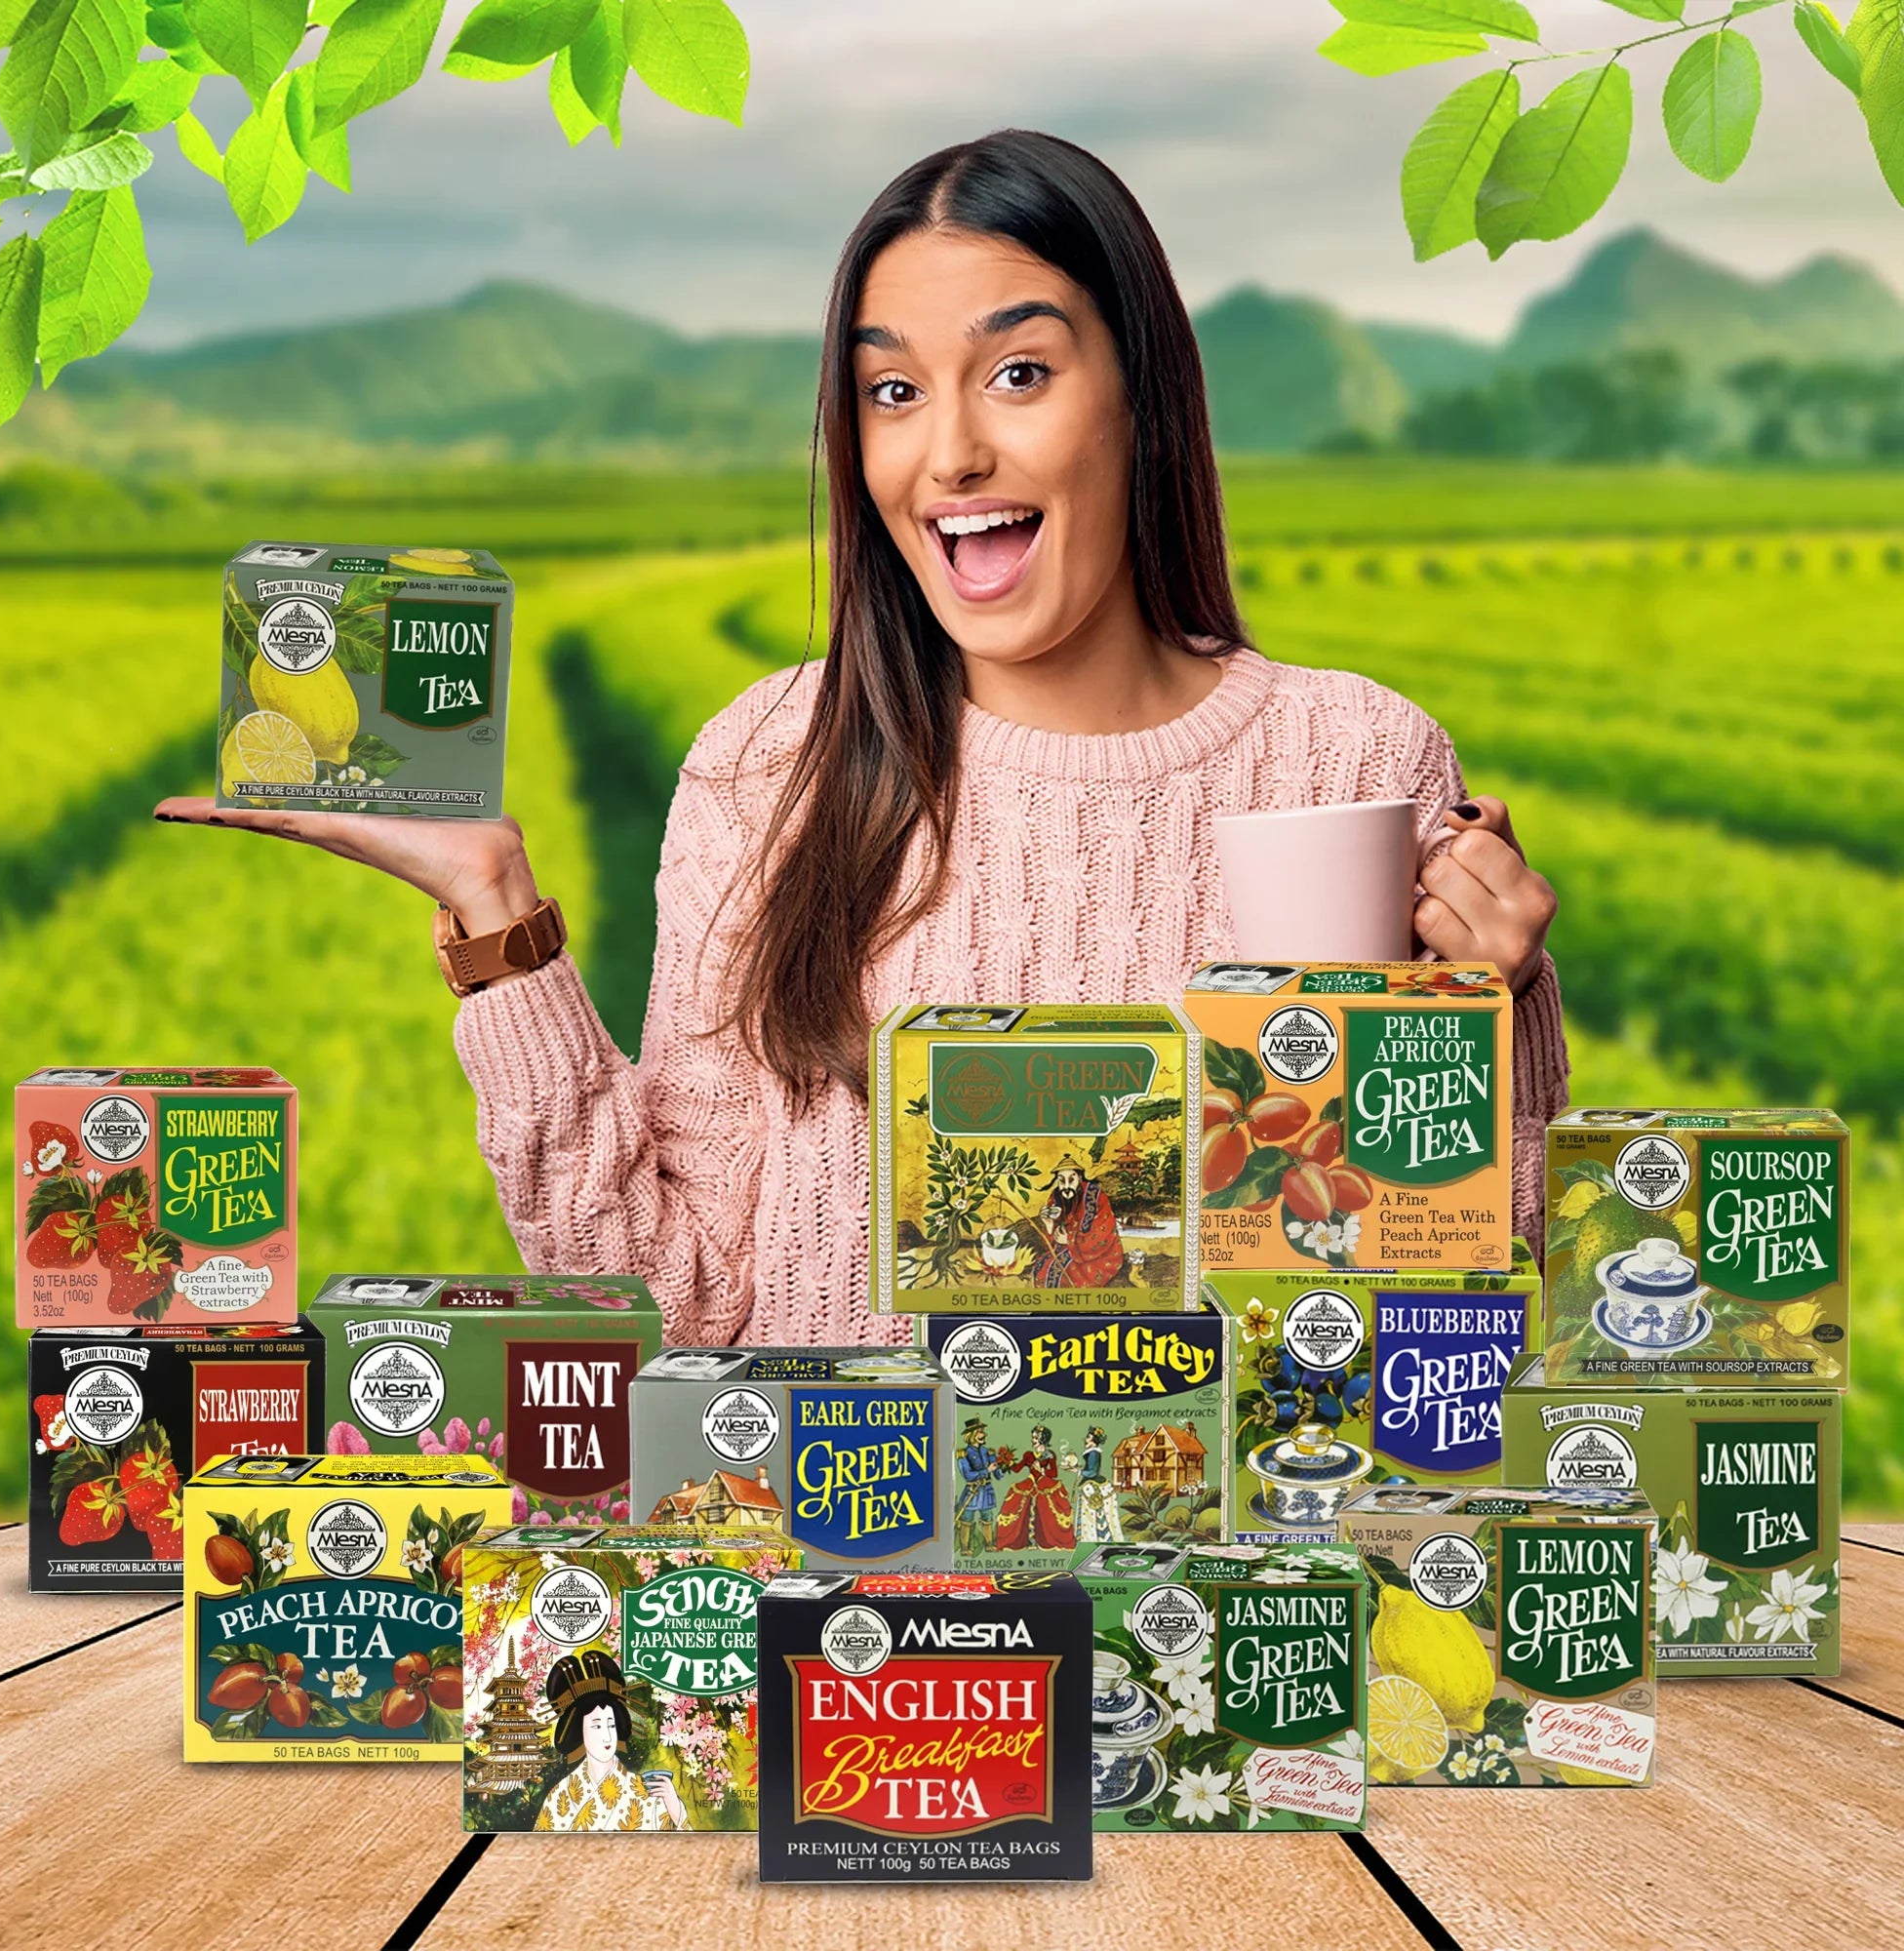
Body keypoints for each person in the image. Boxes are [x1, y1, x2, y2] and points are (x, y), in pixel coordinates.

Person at [158, 130, 1566, 1349]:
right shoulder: (770, 762)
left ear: (1142, 401)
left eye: (1017, 373)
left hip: (1196, 1600)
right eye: (893, 391)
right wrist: (497, 920)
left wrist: (1490, 1017)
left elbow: (1439, 1325)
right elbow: (677, 1307)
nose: (945, 454)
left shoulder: (1354, 760)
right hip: (845, 1581)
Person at [535, 1650, 687, 1832]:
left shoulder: (647, 1794)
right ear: (579, 1731)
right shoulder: (560, 1797)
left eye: (611, 1725)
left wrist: (676, 1811)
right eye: (597, 1726)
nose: (607, 1736)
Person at [1034, 1158, 1127, 1289]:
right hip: (1069, 1248)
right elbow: (1051, 1242)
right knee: (1042, 1268)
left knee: (1060, 1276)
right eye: (1061, 1180)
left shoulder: (1096, 1196)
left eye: (1071, 1180)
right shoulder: (1056, 1197)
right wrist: (1049, 1225)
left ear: (1079, 1178)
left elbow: (1103, 1236)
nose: (1066, 1186)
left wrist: (1069, 1240)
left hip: (1098, 1255)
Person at [995, 1422, 1075, 1551]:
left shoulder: (1050, 1454)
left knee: (1045, 1511)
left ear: (1042, 1439)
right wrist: (1007, 1461)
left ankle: (1042, 1540)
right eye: (1032, 1437)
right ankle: (1026, 1541)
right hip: (1030, 1483)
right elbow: (1017, 1469)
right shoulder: (1028, 1455)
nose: (1033, 1440)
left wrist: (1042, 1471)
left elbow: (1054, 1473)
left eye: (1035, 1438)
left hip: (1044, 1484)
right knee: (1020, 1509)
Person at [955, 1414, 999, 1556]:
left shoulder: (988, 1451)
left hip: (986, 1491)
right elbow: (967, 1475)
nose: (983, 1434)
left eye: (982, 1431)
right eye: (980, 1432)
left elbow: (998, 1475)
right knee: (966, 1520)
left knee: (987, 1518)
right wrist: (987, 1470)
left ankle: (989, 1545)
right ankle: (964, 1548)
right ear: (972, 1435)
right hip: (972, 1492)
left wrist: (1002, 1465)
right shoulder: (963, 1454)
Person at [1074, 1425, 1124, 1542]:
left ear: (1093, 1441)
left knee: (1092, 1510)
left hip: (1092, 1482)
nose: (1086, 1439)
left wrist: (1078, 1471)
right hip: (1090, 1481)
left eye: (1088, 1437)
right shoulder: (1091, 1452)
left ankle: (1091, 1538)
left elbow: (1092, 1472)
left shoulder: (1093, 1453)